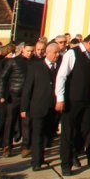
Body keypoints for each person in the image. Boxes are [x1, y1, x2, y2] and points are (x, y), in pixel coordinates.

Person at [55, 32, 90, 175]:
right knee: (68, 132)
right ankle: (66, 163)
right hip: (72, 100)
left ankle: (75, 152)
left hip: (86, 100)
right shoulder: (72, 54)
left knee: (86, 128)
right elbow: (62, 76)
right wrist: (60, 98)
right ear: (89, 42)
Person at [21, 41, 62, 171]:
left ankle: (41, 155)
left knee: (47, 134)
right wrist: (24, 107)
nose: (57, 55)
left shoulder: (59, 67)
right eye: (55, 52)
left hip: (53, 107)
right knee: (37, 134)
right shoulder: (36, 66)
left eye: (59, 52)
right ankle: (36, 161)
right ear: (47, 53)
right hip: (38, 106)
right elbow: (28, 88)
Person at [0, 42, 32, 157]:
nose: (30, 53)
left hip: (28, 96)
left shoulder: (34, 62)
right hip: (14, 96)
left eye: (32, 51)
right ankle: (7, 146)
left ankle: (25, 147)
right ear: (22, 50)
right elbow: (2, 78)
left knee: (27, 122)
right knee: (10, 121)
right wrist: (1, 95)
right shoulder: (13, 61)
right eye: (28, 51)